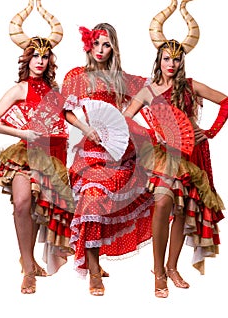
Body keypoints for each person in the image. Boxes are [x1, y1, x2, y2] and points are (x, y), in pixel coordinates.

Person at [123, 0, 228, 298]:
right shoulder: (148, 90)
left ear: (181, 62)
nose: (171, 63)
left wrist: (209, 131)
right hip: (162, 155)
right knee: (162, 203)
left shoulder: (191, 86)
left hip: (191, 154)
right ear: (158, 60)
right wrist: (149, 135)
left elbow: (227, 102)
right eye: (166, 58)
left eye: (176, 59)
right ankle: (158, 270)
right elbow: (126, 117)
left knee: (182, 210)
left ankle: (173, 267)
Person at [0, 0, 75, 294]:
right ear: (27, 58)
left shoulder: (56, 92)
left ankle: (32, 263)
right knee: (22, 202)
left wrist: (90, 131)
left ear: (50, 61)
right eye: (35, 55)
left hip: (54, 154)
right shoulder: (20, 89)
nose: (40, 60)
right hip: (25, 151)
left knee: (37, 205)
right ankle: (27, 265)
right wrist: (22, 133)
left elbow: (68, 118)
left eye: (45, 56)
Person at [61, 23, 153, 296]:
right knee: (91, 200)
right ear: (89, 45)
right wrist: (86, 128)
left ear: (114, 48)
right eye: (97, 43)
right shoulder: (77, 75)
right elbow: (67, 111)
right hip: (89, 151)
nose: (101, 50)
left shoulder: (121, 79)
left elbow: (151, 89)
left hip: (116, 153)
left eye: (107, 45)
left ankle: (157, 269)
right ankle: (93, 271)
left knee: (110, 205)